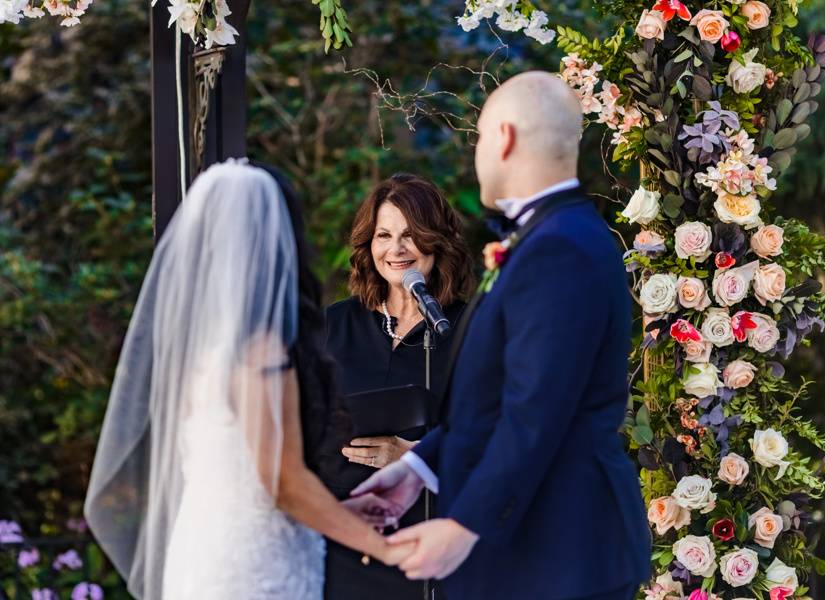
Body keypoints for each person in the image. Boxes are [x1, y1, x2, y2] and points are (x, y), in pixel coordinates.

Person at [351, 72, 652, 599]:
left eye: (480, 138)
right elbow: (494, 400)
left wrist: (464, 525)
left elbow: (535, 410)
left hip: (555, 555)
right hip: (537, 555)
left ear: (505, 137)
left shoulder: (560, 248)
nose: (477, 154)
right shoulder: (553, 235)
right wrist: (420, 467)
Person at [84, 161, 411, 600]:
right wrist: (387, 549)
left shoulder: (200, 348)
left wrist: (343, 511)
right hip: (254, 568)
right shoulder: (260, 351)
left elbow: (238, 473)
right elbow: (282, 481)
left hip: (203, 551)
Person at [320, 173, 475, 599]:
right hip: (345, 543)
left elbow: (493, 434)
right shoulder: (337, 323)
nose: (396, 249)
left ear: (436, 241)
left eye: (411, 235)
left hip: (430, 548)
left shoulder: (469, 328)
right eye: (383, 235)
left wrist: (410, 457)